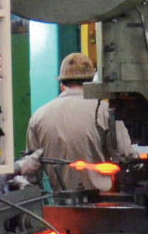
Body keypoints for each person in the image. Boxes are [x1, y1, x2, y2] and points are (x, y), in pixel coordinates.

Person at [18, 52, 130, 194]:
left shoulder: (39, 116)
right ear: (92, 83)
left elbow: (32, 172)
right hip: (103, 201)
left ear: (62, 86)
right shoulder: (104, 110)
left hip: (60, 202)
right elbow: (126, 155)